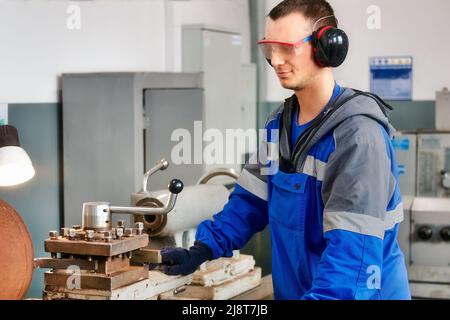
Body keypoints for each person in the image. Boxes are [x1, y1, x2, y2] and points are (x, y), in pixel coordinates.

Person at [159, 0, 411, 300]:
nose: (276, 60)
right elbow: (250, 203)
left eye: (287, 47)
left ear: (326, 46)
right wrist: (203, 248)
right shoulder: (279, 125)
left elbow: (351, 263)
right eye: (269, 49)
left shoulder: (358, 138)